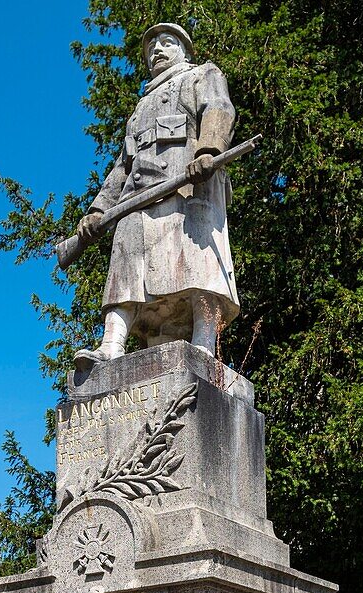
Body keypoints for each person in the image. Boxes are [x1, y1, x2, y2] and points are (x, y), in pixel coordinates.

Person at [74, 23, 240, 366]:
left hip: (190, 186)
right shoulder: (140, 108)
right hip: (138, 197)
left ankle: (204, 344)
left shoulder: (200, 75)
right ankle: (111, 344)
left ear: (184, 49)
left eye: (167, 42)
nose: (158, 51)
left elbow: (219, 109)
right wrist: (98, 209)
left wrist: (208, 149)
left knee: (199, 265)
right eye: (152, 47)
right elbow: (122, 164)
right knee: (126, 262)